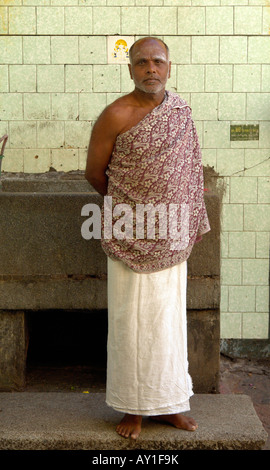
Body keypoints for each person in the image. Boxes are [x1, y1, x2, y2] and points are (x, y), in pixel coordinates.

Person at [85, 37, 210, 440]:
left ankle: (170, 404)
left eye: (157, 61)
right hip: (129, 236)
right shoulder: (115, 114)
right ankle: (133, 409)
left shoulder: (180, 113)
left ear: (169, 68)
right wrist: (133, 208)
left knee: (167, 324)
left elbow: (191, 172)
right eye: (141, 62)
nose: (150, 68)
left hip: (172, 236)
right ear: (130, 69)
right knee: (131, 324)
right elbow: (94, 173)